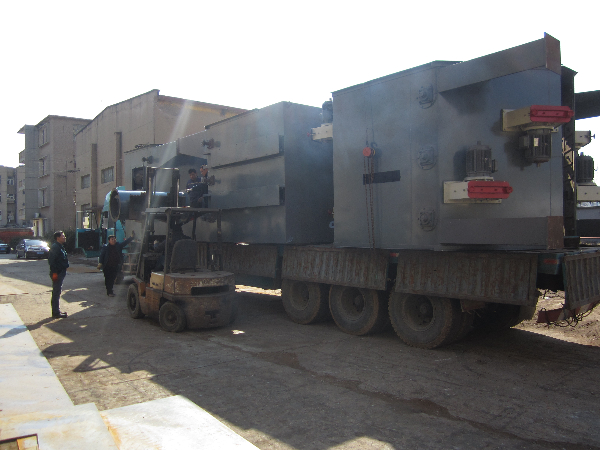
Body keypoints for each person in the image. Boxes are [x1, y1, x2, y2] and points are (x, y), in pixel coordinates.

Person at [48, 230, 69, 318]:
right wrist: (54, 273)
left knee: (57, 292)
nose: (64, 237)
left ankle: (56, 311)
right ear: (58, 238)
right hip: (57, 273)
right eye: (62, 236)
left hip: (60, 272)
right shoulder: (55, 247)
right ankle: (56, 312)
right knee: (56, 292)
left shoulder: (60, 247)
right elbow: (52, 262)